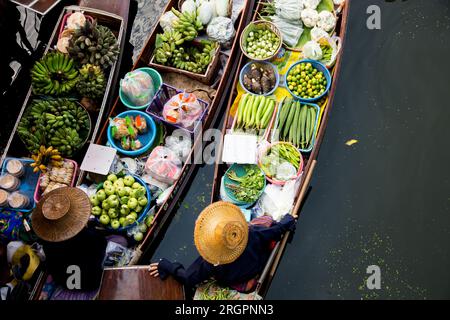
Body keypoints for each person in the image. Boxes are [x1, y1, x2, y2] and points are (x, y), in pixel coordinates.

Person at [149, 201, 296, 294]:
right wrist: (287, 221)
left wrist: (166, 265)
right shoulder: (251, 234)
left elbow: (188, 278)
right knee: (268, 221)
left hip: (240, 280)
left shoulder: (210, 262)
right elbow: (276, 230)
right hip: (256, 263)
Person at [31, 187, 107, 293]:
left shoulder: (48, 242)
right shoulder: (89, 237)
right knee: (119, 240)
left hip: (66, 282)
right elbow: (102, 243)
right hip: (90, 282)